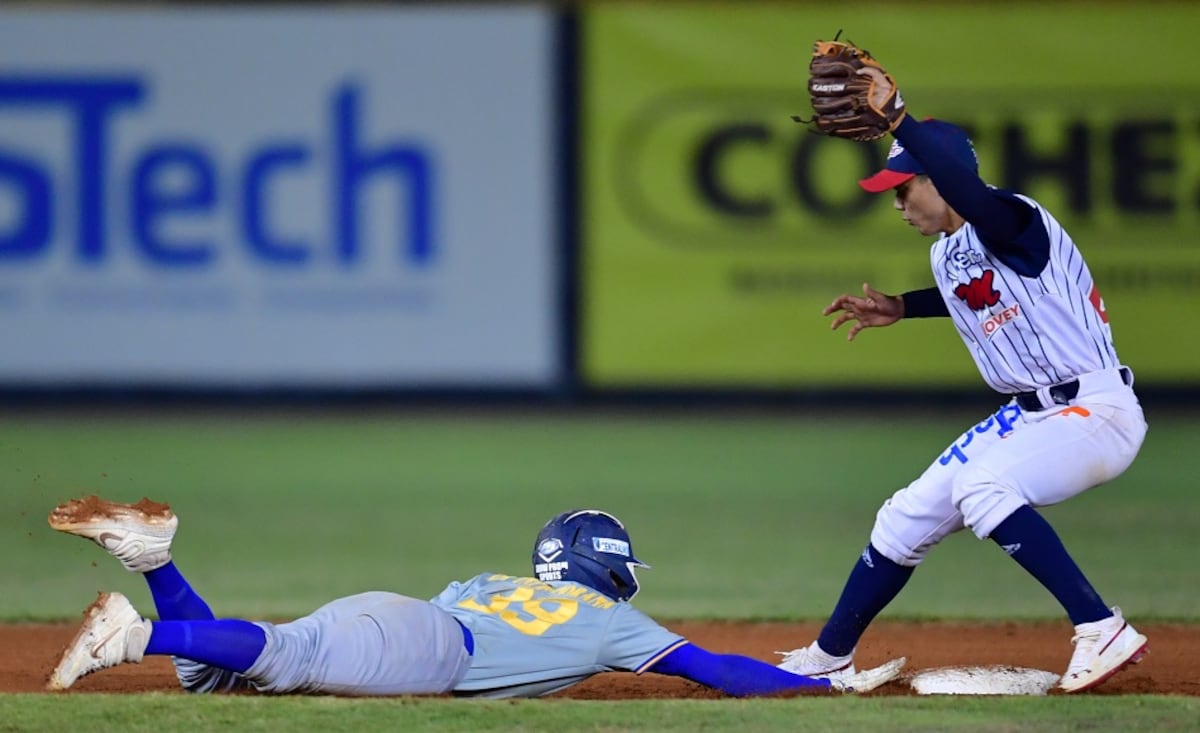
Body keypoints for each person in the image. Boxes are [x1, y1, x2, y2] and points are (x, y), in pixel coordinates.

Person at [776, 67, 1149, 693]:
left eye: (906, 189)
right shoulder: (946, 249)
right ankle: (830, 655)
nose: (897, 204)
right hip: (1030, 415)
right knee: (905, 514)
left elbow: (976, 203)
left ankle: (1099, 625)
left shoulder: (1012, 218)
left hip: (1096, 411)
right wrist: (902, 306)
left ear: (944, 177)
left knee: (983, 486)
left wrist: (898, 116)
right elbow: (973, 291)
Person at [47, 496, 903, 697]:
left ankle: (153, 559)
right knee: (282, 656)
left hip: (413, 612)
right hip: (437, 649)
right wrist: (815, 683)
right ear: (611, 568)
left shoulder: (500, 579)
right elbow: (717, 668)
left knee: (219, 676)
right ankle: (134, 632)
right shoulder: (615, 620)